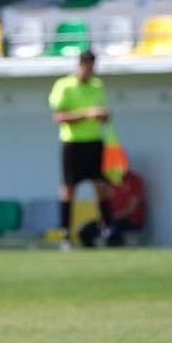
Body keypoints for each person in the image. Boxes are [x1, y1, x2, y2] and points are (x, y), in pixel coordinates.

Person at [47, 49, 113, 245]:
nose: (89, 70)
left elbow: (103, 114)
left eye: (92, 66)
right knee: (68, 189)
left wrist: (103, 116)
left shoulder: (97, 85)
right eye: (86, 66)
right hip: (73, 142)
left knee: (102, 187)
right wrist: (87, 114)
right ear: (79, 65)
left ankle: (107, 229)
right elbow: (59, 117)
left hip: (95, 141)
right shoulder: (64, 85)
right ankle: (66, 233)